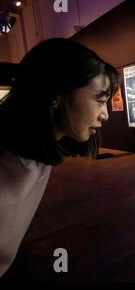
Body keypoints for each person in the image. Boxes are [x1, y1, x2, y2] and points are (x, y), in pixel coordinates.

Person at [0, 38, 118, 277]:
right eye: (100, 100)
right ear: (57, 95)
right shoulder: (7, 164)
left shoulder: (37, 156)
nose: (105, 114)